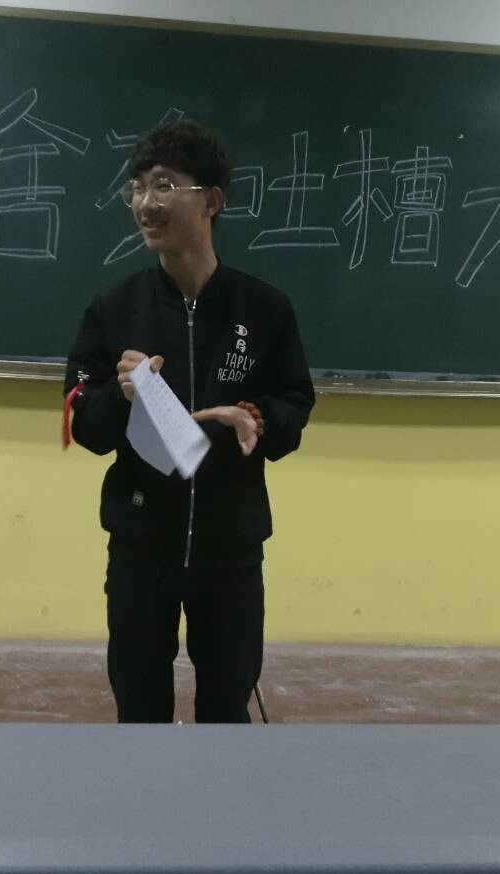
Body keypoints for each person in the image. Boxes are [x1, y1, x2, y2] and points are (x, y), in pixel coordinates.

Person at [64, 120, 315, 724]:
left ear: (211, 201)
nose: (145, 204)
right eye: (137, 189)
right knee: (139, 713)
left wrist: (255, 418)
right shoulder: (114, 309)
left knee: (227, 711)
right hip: (140, 549)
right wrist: (121, 397)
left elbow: (295, 403)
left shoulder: (264, 309)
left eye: (163, 185)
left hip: (231, 552)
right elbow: (85, 423)